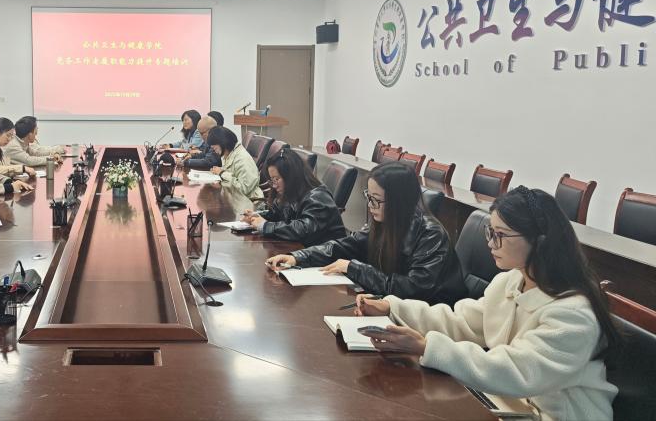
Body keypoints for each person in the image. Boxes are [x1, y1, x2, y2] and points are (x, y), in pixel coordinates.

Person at [354, 187, 620, 420]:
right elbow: (462, 322)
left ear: (539, 242)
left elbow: (516, 370)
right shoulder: (511, 281)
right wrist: (393, 307)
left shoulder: (573, 313)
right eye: (490, 232)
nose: (491, 243)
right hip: (512, 404)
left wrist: (427, 346)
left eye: (500, 234)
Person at [266, 162, 464, 305]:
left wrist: (355, 268)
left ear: (398, 202)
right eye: (369, 197)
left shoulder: (430, 235)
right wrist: (297, 257)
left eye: (376, 199)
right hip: (391, 306)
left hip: (428, 320)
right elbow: (344, 245)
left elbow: (413, 290)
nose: (370, 206)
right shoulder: (385, 222)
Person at [242, 148, 346, 246]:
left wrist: (265, 226)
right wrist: (256, 217)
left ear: (291, 176)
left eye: (276, 179)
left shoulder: (318, 197)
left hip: (325, 255)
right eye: (272, 180)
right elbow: (277, 213)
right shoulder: (292, 192)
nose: (274, 185)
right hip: (303, 250)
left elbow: (304, 229)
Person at [207, 127, 263, 200]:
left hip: (249, 201)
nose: (214, 151)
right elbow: (233, 172)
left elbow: (243, 190)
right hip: (233, 197)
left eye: (215, 148)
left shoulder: (242, 159)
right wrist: (219, 171)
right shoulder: (228, 154)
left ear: (223, 143)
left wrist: (222, 173)